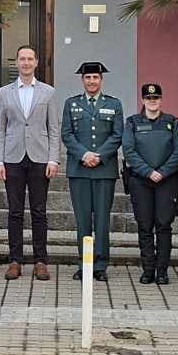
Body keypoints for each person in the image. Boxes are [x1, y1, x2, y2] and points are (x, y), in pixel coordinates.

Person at [0, 45, 61, 281]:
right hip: (12, 158)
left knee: (39, 211)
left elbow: (53, 127)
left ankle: (41, 261)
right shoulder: (4, 92)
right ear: (16, 62)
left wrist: (54, 158)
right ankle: (15, 261)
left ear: (36, 63)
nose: (25, 63)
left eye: (30, 59)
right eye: (22, 59)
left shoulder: (48, 92)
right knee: (14, 211)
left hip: (40, 158)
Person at [61, 62, 123, 282]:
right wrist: (84, 155)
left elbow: (117, 135)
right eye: (88, 78)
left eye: (96, 77)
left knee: (102, 220)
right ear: (82, 80)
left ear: (101, 80)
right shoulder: (71, 104)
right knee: (83, 220)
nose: (92, 81)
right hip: (79, 169)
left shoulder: (114, 104)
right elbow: (67, 135)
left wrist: (99, 156)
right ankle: (84, 263)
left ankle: (101, 265)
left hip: (104, 170)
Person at [122, 83, 178, 286]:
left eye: (156, 98)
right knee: (145, 226)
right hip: (141, 181)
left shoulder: (172, 123)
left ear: (161, 100)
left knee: (164, 225)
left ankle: (162, 271)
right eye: (149, 98)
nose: (152, 101)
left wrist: (163, 172)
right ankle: (148, 269)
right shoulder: (132, 123)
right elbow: (129, 151)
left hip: (167, 182)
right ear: (143, 100)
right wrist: (148, 171)